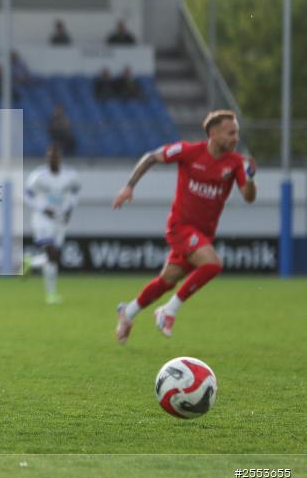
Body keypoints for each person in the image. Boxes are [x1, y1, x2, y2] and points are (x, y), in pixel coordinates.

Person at [113, 110, 257, 344]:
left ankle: (127, 313)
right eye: (231, 133)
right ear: (213, 133)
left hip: (203, 234)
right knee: (212, 264)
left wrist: (250, 178)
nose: (236, 138)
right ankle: (168, 311)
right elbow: (152, 156)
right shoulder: (189, 151)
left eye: (237, 133)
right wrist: (129, 187)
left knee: (167, 281)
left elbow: (248, 197)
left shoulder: (235, 164)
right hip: (180, 228)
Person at [23, 144, 81, 304]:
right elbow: (27, 195)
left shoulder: (70, 176)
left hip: (61, 220)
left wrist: (70, 209)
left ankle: (32, 263)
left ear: (60, 157)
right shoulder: (38, 176)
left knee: (53, 258)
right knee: (52, 253)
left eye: (55, 156)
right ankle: (51, 294)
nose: (53, 159)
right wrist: (42, 208)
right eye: (50, 156)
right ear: (46, 158)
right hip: (42, 219)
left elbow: (76, 191)